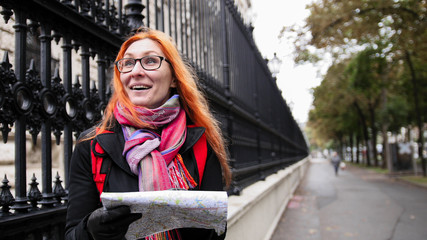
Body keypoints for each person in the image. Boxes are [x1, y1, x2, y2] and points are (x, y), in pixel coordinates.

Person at [65, 27, 231, 240]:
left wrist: (187, 218)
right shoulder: (91, 145)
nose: (136, 71)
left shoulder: (200, 142)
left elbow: (217, 232)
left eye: (150, 61)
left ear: (173, 78)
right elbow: (71, 235)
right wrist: (91, 229)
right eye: (128, 63)